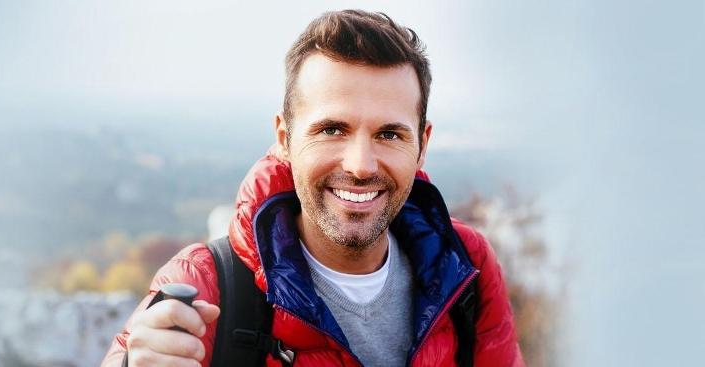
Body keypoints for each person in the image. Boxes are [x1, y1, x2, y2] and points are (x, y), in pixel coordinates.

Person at [101, 9, 523, 367]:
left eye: (389, 134)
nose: (360, 166)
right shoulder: (206, 285)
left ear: (422, 146)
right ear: (284, 139)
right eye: (332, 129)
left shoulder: (467, 264)